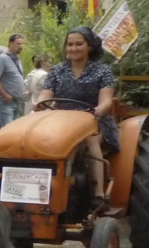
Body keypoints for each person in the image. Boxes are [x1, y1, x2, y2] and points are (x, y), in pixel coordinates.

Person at [35, 27, 119, 209]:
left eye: (79, 44)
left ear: (89, 46)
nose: (73, 48)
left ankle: (99, 195)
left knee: (89, 140)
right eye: (70, 44)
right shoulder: (57, 71)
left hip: (93, 121)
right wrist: (41, 102)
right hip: (62, 122)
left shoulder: (102, 71)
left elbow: (106, 102)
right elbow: (45, 95)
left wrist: (96, 111)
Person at [0, 33, 25, 130]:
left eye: (22, 44)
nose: (21, 46)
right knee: (8, 130)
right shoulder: (2, 59)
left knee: (15, 131)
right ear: (10, 44)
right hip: (6, 102)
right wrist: (4, 95)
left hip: (17, 101)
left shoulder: (17, 60)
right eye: (18, 44)